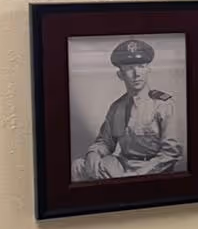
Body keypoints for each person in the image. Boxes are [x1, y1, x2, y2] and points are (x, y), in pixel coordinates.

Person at [71, 39, 183, 181]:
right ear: (121, 75)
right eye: (130, 68)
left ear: (148, 70)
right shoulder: (117, 107)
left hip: (151, 169)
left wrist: (136, 175)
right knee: (78, 166)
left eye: (141, 66)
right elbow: (105, 142)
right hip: (122, 165)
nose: (137, 73)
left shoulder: (163, 105)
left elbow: (171, 153)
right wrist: (93, 153)